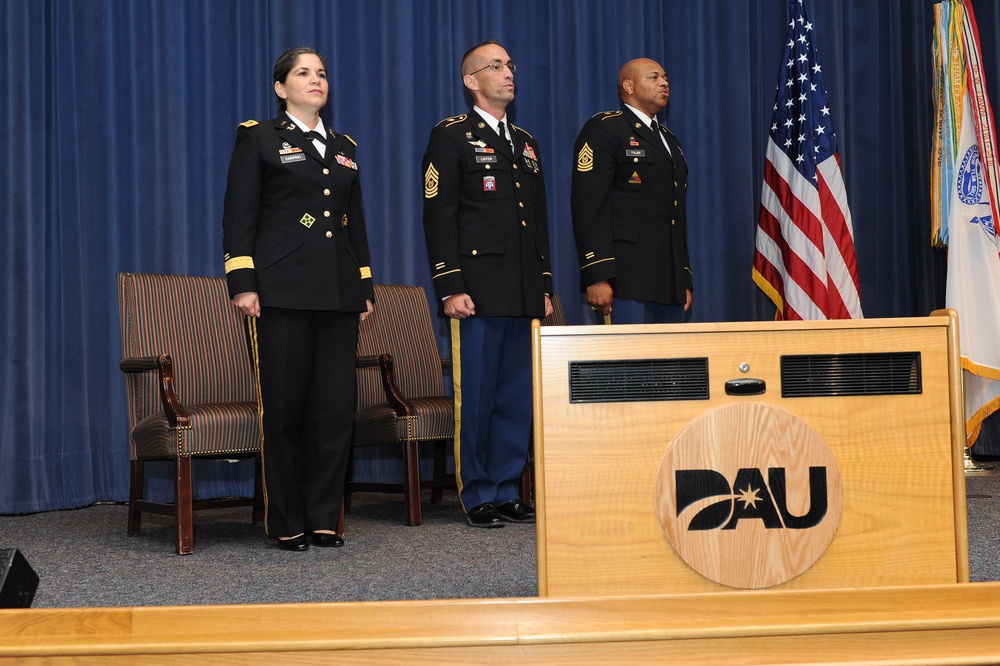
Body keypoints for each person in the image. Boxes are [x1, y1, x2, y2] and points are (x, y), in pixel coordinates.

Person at [221, 46, 374, 551]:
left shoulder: (344, 145)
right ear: (280, 88)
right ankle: (286, 521)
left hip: (337, 293)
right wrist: (243, 282)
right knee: (285, 410)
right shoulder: (259, 138)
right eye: (303, 73)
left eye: (322, 74)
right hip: (280, 291)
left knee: (332, 412)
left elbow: (354, 223)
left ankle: (324, 516)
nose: (316, 80)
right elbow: (239, 214)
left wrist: (364, 286)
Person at [421, 40, 553, 528]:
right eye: (494, 66)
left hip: (521, 289)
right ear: (470, 81)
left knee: (516, 397)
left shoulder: (526, 141)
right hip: (475, 289)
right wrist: (449, 285)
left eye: (510, 64)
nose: (507, 72)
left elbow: (536, 220)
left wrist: (544, 283)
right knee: (476, 395)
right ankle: (476, 491)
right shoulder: (452, 136)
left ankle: (505, 487)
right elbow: (440, 215)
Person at [571, 58, 693, 324]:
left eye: (665, 79)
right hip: (624, 282)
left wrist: (683, 279)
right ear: (629, 86)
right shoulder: (605, 127)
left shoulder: (669, 139)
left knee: (671, 365)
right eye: (653, 77)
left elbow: (676, 216)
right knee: (628, 365)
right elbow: (589, 205)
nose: (664, 83)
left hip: (667, 284)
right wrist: (597, 274)